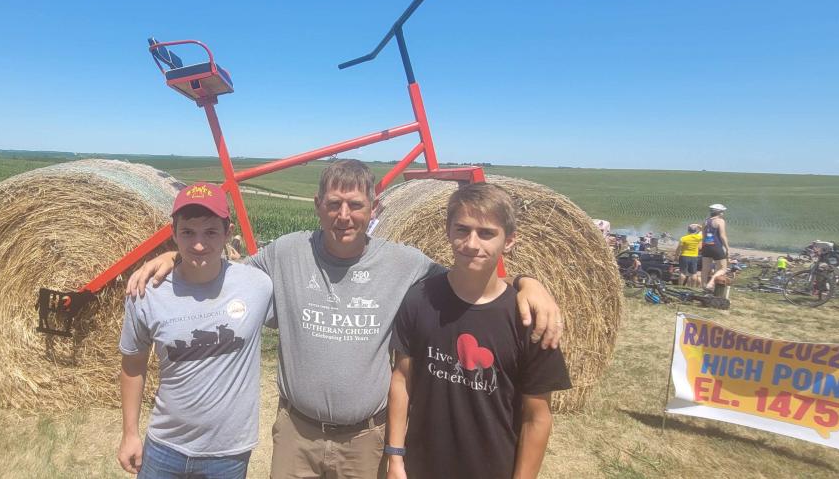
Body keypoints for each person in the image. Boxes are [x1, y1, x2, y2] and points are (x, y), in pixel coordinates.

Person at [127, 160, 564, 479]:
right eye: (334, 203)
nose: (344, 215)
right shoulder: (286, 253)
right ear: (317, 205)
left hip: (366, 441)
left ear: (372, 209)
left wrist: (528, 282)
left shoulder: (405, 264)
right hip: (297, 435)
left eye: (355, 204)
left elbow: (469, 276)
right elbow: (223, 270)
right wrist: (174, 255)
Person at [386, 183, 571, 479]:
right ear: (448, 232)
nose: (472, 243)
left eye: (487, 233)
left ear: (509, 242)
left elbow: (536, 417)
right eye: (462, 229)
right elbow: (402, 380)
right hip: (420, 467)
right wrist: (395, 457)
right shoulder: (419, 299)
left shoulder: (528, 321)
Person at [117, 182, 274, 478]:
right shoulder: (147, 293)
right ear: (173, 233)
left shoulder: (258, 286)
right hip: (164, 447)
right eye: (188, 232)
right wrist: (130, 434)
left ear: (228, 234)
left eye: (211, 232)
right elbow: (132, 365)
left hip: (228, 454)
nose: (199, 244)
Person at [700, 203, 730, 291]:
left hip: (706, 246)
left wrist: (703, 246)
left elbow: (703, 235)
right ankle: (711, 283)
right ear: (719, 212)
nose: (723, 213)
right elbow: (722, 236)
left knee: (705, 268)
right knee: (723, 268)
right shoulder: (720, 221)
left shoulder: (705, 221)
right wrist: (727, 248)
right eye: (722, 212)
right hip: (716, 246)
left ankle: (703, 286)